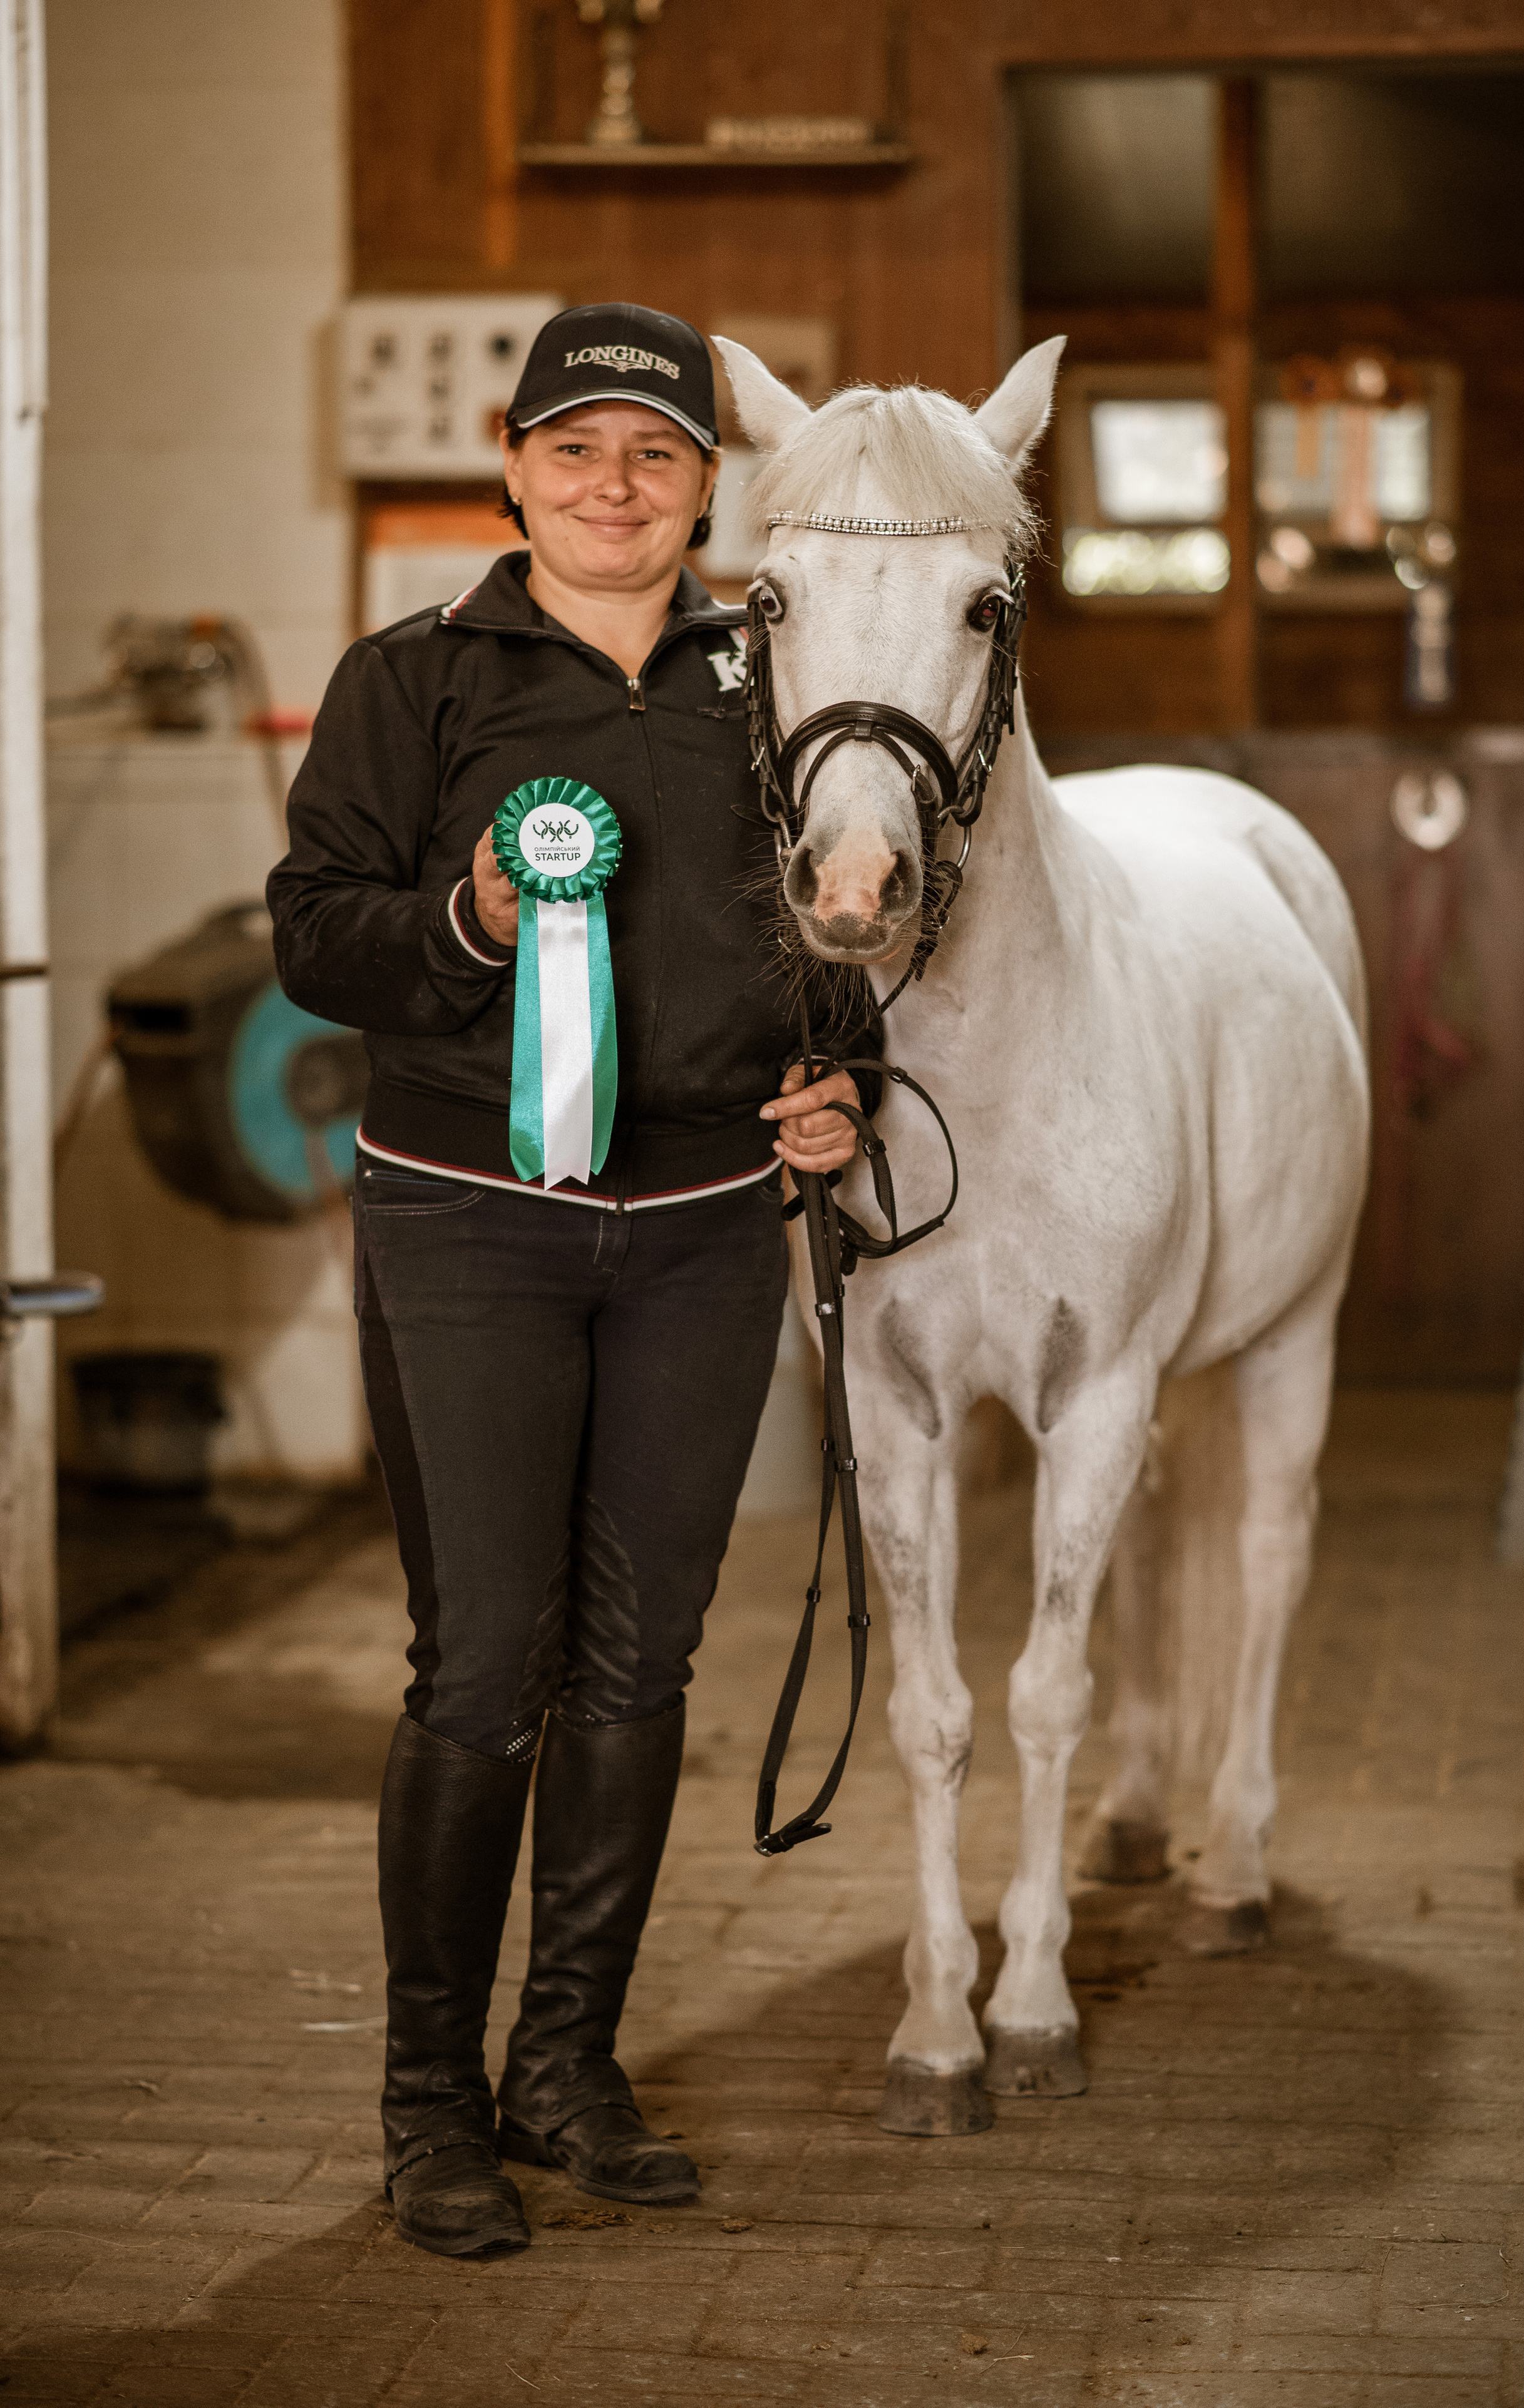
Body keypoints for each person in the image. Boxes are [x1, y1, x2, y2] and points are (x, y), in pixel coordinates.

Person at [267, 303, 873, 2260]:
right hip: (469, 1219)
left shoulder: (769, 682)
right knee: (483, 1663)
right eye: (578, 448)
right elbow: (314, 937)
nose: (616, 487)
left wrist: (844, 1080)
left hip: (703, 1235)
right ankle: (430, 2104)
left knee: (642, 1661)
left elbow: (840, 921)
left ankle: (567, 2067)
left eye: (659, 455)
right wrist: (468, 911)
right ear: (512, 463)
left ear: (711, 485)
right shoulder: (415, 681)